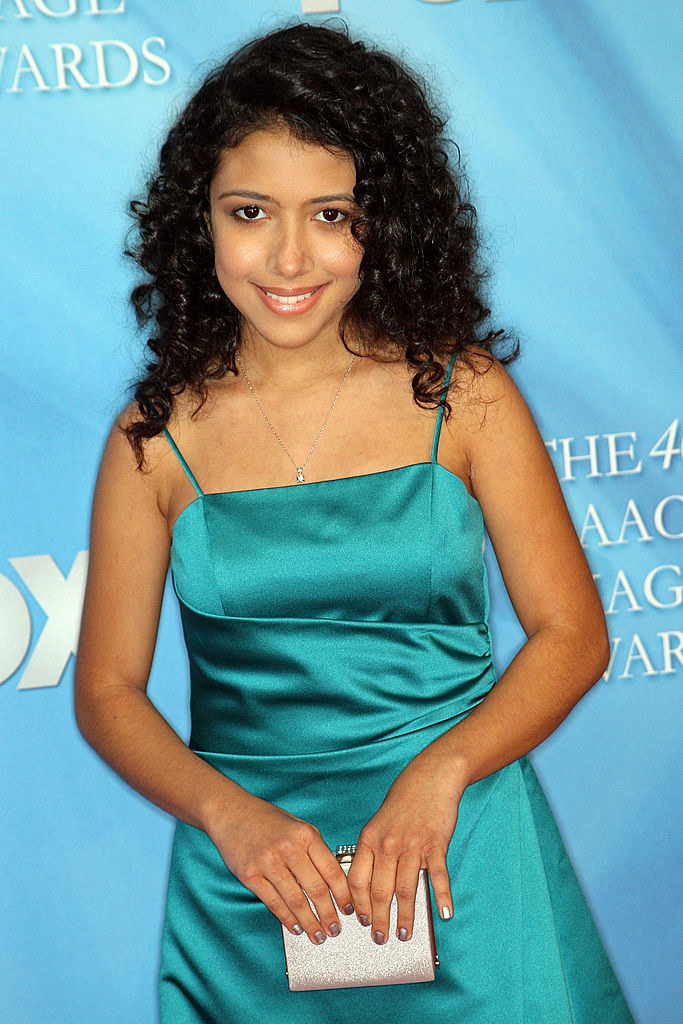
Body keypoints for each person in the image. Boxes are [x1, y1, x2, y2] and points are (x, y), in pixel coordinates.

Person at [74, 20, 635, 1023]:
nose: (288, 256)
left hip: (461, 851)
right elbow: (109, 692)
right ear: (196, 220)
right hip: (254, 883)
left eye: (329, 213)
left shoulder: (462, 394)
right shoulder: (152, 437)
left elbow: (572, 634)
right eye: (250, 211)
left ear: (383, 222)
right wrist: (228, 817)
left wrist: (440, 771)